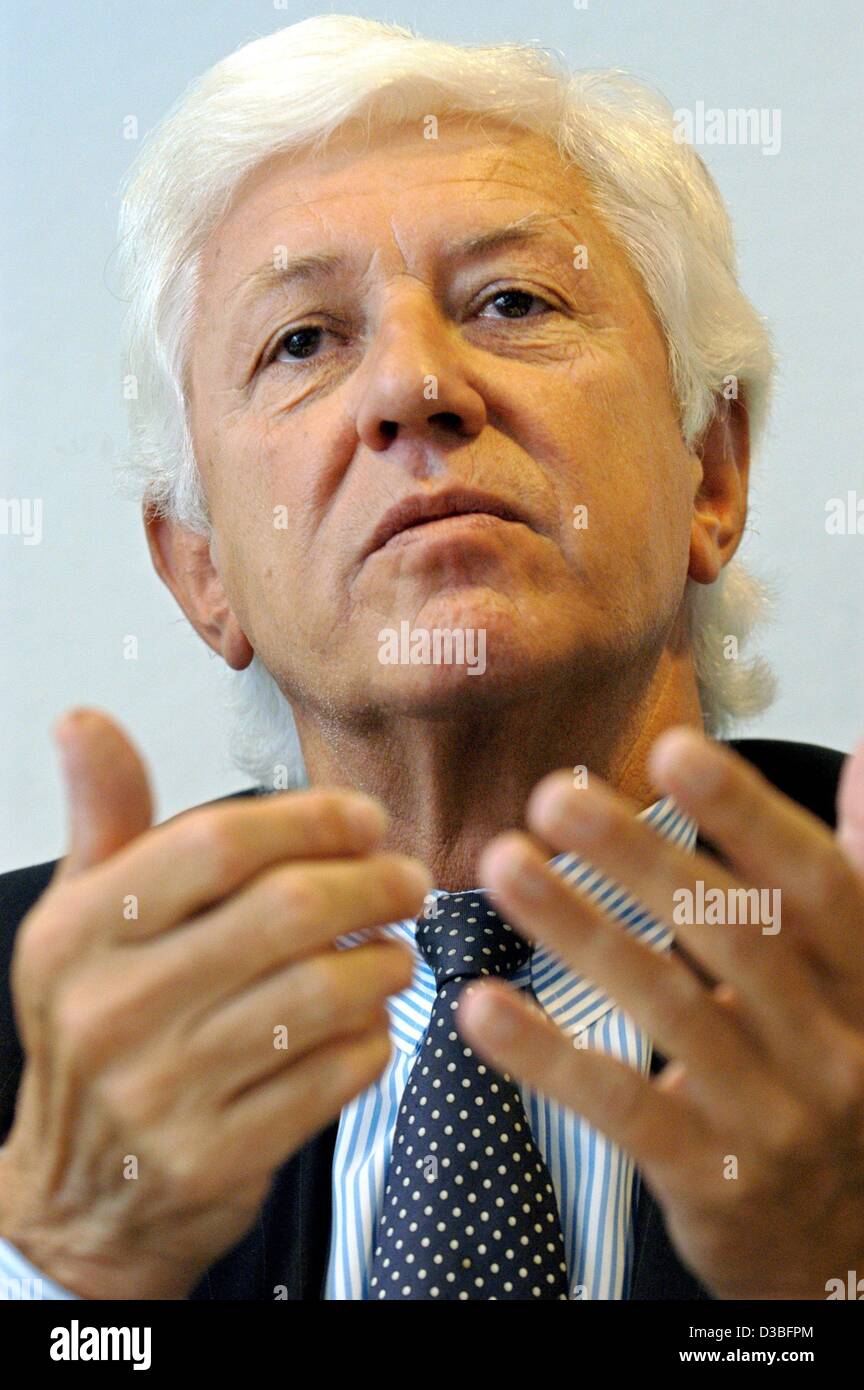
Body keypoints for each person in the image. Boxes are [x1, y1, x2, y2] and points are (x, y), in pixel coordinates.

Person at [1, 16, 863, 1301]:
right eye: (302, 340)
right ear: (199, 566)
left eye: (512, 301)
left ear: (713, 471)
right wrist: (73, 1275)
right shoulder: (41, 1037)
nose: (411, 386)